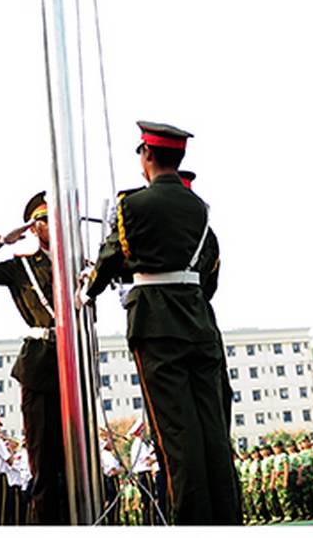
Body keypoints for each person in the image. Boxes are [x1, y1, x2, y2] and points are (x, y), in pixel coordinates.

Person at [83, 121, 240, 524]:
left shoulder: (131, 206)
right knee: (212, 434)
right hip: (199, 321)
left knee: (176, 438)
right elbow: (210, 280)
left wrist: (89, 289)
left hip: (156, 322)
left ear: (147, 154)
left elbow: (111, 259)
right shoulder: (200, 209)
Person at [0, 192, 69, 524]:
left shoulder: (74, 262)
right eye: (46, 219)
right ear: (34, 227)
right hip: (39, 366)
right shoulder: (22, 267)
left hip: (73, 364)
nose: (54, 224)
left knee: (73, 459)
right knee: (44, 460)